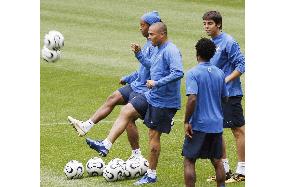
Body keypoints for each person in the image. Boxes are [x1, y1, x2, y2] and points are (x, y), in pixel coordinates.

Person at [85, 22, 184, 185]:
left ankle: (151, 175)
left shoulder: (171, 50)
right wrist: (139, 54)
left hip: (164, 102)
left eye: (152, 34)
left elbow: (178, 72)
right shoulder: (158, 49)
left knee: (153, 136)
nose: (149, 37)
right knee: (126, 111)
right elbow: (150, 65)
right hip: (152, 95)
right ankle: (105, 144)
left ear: (162, 34)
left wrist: (157, 83)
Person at [67, 11, 162, 160]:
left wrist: (138, 55)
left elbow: (152, 67)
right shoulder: (149, 44)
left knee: (128, 116)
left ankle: (135, 154)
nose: (140, 28)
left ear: (151, 27)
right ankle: (86, 126)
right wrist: (128, 77)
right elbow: (142, 71)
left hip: (144, 89)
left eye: (142, 25)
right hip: (136, 84)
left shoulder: (157, 46)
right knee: (113, 97)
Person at [202, 11, 245, 183]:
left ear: (218, 24)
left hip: (231, 94)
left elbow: (242, 65)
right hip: (215, 95)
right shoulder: (211, 43)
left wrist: (225, 79)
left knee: (237, 130)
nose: (206, 27)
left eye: (210, 23)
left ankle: (243, 171)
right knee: (217, 131)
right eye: (204, 24)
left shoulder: (228, 41)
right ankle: (224, 170)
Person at [182, 38, 228, 187]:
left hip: (199, 125)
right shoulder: (220, 73)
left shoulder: (193, 73)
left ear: (197, 54)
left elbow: (192, 99)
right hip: (216, 125)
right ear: (212, 54)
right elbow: (225, 98)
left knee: (189, 160)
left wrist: (186, 121)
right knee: (217, 160)